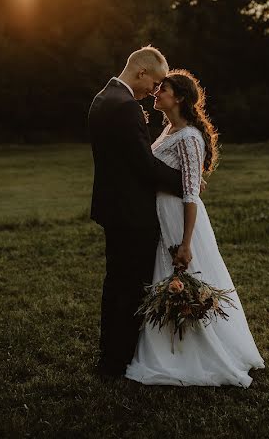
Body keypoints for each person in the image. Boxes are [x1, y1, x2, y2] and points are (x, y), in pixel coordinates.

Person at [125, 69, 264, 387]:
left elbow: (190, 193)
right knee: (165, 278)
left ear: (181, 98)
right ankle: (174, 348)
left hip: (178, 217)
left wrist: (186, 242)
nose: (157, 92)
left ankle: (197, 354)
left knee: (184, 279)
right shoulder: (168, 130)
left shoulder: (189, 136)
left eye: (164, 89)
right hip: (160, 213)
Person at [88, 46, 183, 378]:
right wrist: (185, 181)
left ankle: (108, 355)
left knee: (114, 282)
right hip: (131, 213)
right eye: (155, 83)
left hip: (112, 207)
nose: (155, 91)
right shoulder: (126, 107)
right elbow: (144, 166)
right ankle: (118, 361)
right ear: (141, 72)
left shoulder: (103, 97)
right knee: (131, 287)